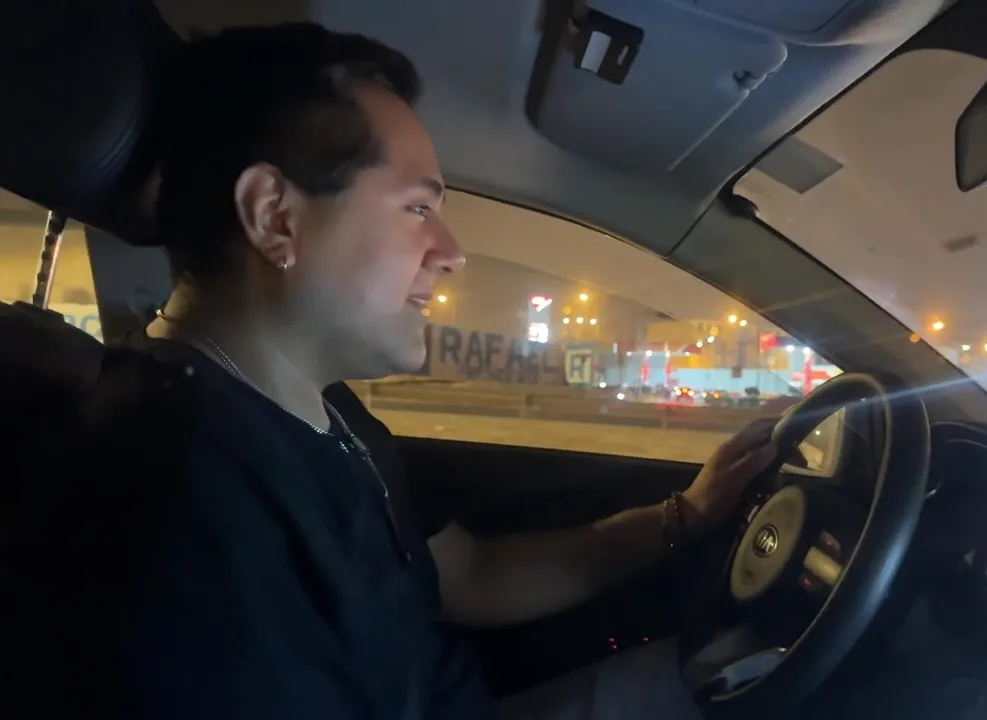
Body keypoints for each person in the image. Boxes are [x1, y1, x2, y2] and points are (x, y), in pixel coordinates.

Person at [5, 22, 778, 720]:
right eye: (417, 209)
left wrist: (683, 518)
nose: (452, 251)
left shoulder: (317, 409)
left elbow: (465, 575)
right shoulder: (183, 511)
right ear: (274, 215)